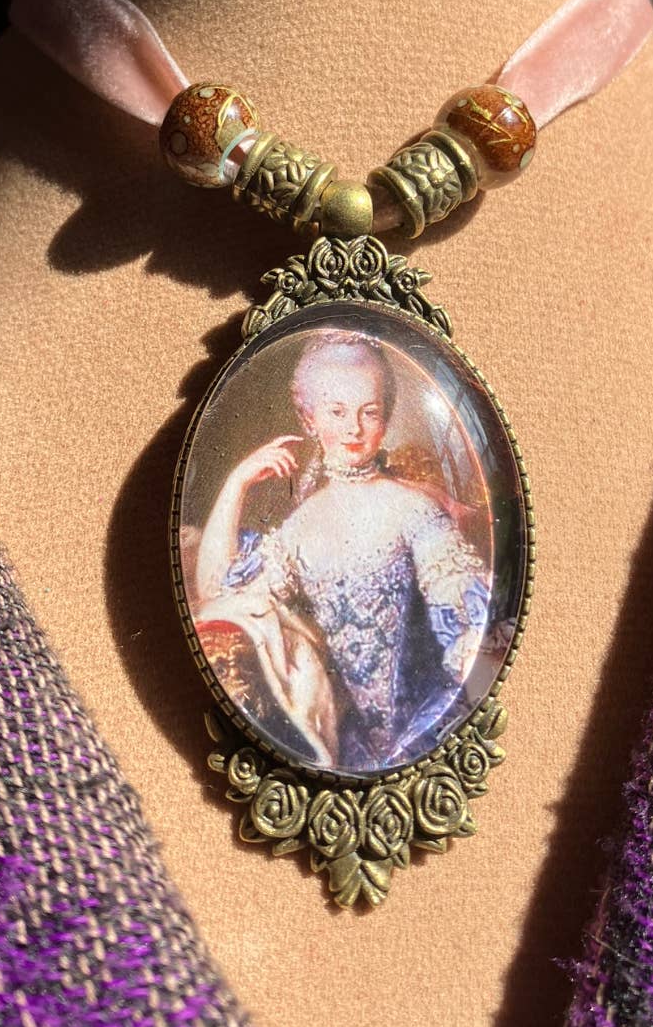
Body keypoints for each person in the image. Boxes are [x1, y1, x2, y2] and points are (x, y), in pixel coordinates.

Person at [194, 328, 491, 773]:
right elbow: (217, 594)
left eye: (369, 413)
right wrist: (238, 481)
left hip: (424, 733)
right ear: (309, 417)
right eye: (337, 411)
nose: (353, 428)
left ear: (385, 418)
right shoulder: (299, 528)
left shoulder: (411, 508)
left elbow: (467, 618)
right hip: (342, 749)